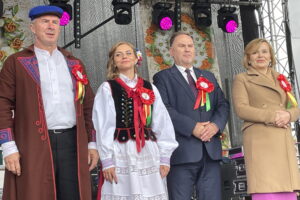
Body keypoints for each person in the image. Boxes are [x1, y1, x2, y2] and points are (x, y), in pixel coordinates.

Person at [0, 5, 99, 200]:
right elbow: (2, 104)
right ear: (32, 27)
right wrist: (9, 147)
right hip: (32, 143)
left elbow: (88, 106)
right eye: (45, 22)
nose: (51, 26)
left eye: (55, 22)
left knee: (73, 195)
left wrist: (92, 143)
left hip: (73, 142)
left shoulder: (74, 63)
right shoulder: (16, 62)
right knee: (35, 194)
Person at [92, 41, 178, 199]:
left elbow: (162, 123)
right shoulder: (107, 88)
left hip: (148, 152)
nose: (124, 56)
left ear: (136, 58)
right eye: (118, 54)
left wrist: (165, 158)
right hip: (121, 152)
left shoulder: (149, 87)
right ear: (114, 62)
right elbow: (103, 126)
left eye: (128, 53)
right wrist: (107, 160)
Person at [153, 32, 229, 200]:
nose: (187, 49)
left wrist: (215, 126)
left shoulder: (208, 76)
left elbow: (222, 105)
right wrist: (192, 127)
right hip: (182, 152)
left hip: (210, 152)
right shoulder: (162, 77)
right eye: (181, 46)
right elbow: (164, 110)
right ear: (171, 51)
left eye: (190, 46)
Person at [232, 38, 300, 200]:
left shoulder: (281, 78)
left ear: (271, 56)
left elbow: (295, 107)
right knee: (266, 189)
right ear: (248, 58)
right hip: (260, 141)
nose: (260, 55)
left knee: (286, 190)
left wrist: (289, 115)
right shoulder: (242, 79)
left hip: (282, 139)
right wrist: (273, 116)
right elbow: (241, 109)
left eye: (264, 51)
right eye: (254, 52)